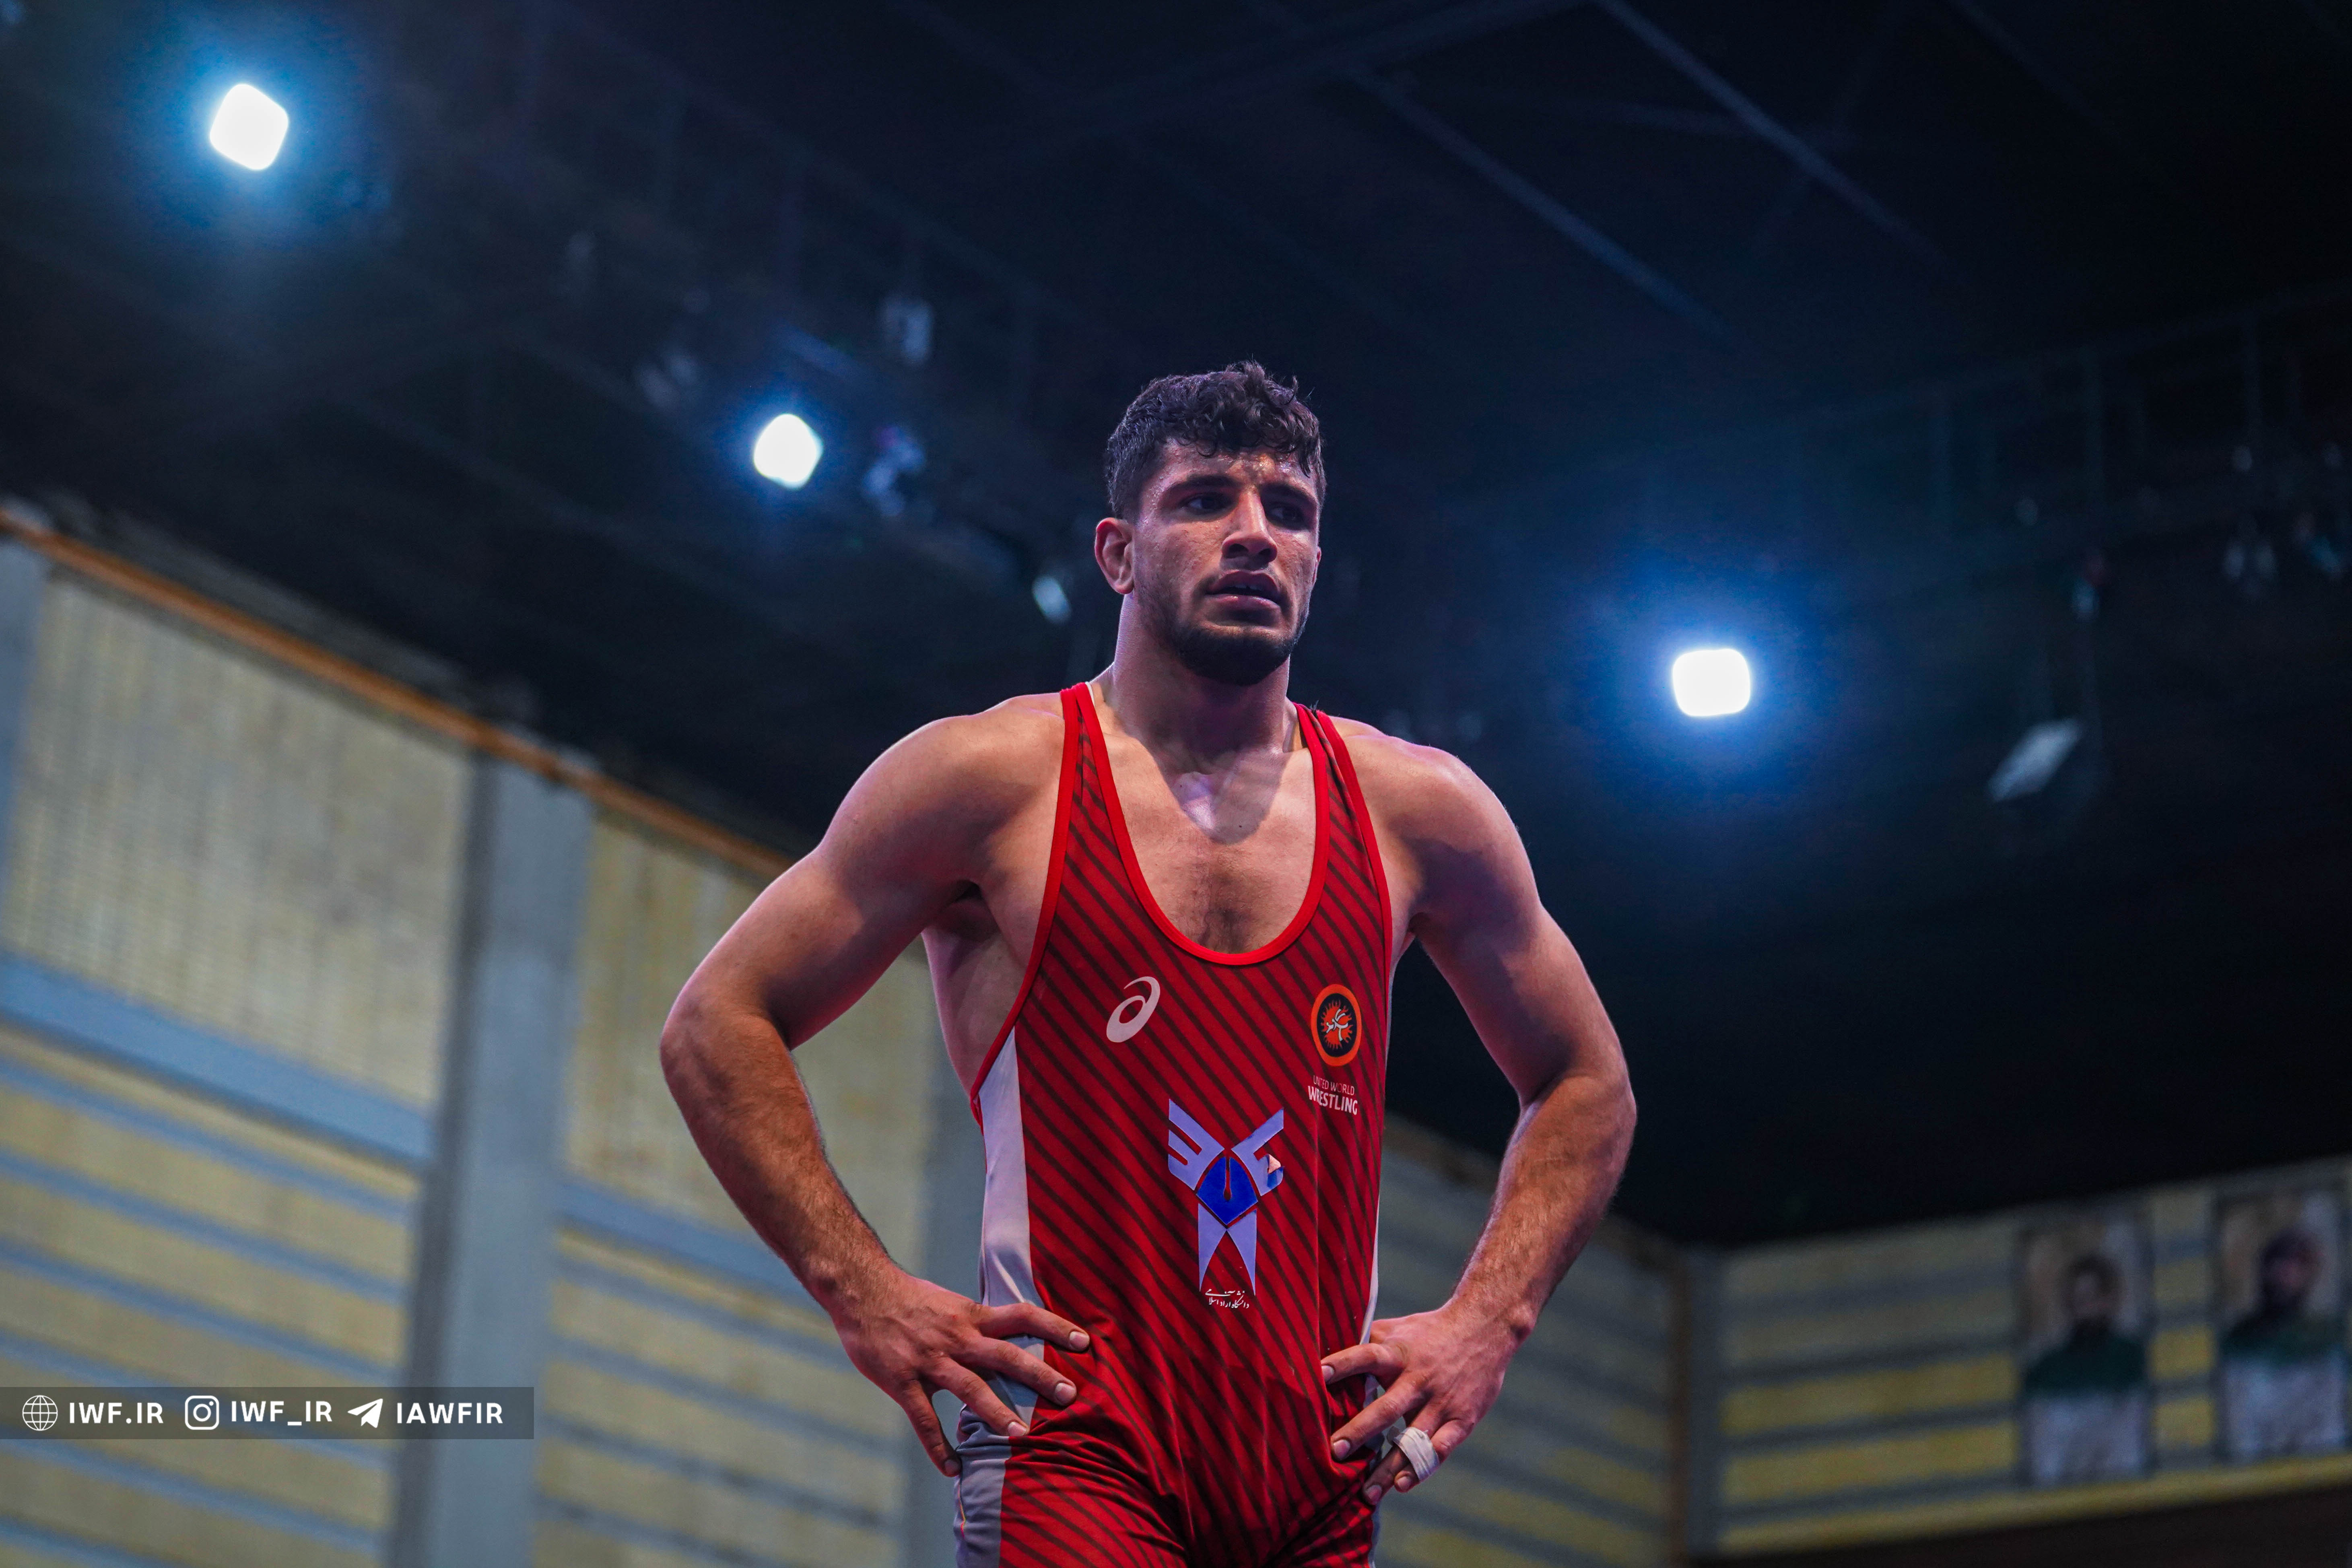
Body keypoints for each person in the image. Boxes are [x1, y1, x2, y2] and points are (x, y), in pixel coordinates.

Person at [661, 363, 1637, 1566]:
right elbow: (717, 1021)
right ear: (1118, 553)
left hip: (1317, 1479)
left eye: (1290, 511)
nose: (1254, 535)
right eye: (1205, 500)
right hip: (1078, 1453)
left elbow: (1588, 1081)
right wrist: (862, 1291)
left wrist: (1491, 1320)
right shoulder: (992, 780)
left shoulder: (1417, 810)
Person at [2021, 1251, 2149, 1485]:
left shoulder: (2133, 1357)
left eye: (2092, 1297)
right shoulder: (2046, 1368)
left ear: (2110, 1299)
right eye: (2078, 1299)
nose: (2085, 1308)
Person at [2220, 1226, 2347, 1460]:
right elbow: (2238, 1420)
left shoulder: (2325, 1341)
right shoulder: (2239, 1341)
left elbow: (2330, 1419)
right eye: (2279, 1262)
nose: (2286, 1274)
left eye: (2297, 1266)